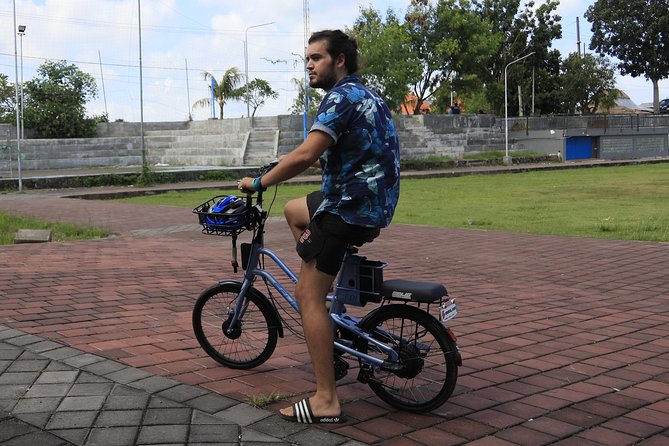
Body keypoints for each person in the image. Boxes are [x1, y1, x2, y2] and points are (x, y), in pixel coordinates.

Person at [238, 29, 400, 424]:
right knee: (295, 210)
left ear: (339, 60)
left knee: (306, 295)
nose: (308, 65)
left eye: (316, 58)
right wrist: (291, 159)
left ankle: (326, 399)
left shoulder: (340, 97)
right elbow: (347, 152)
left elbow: (310, 150)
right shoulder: (369, 95)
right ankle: (331, 303)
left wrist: (259, 182)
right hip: (370, 202)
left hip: (347, 210)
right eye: (306, 59)